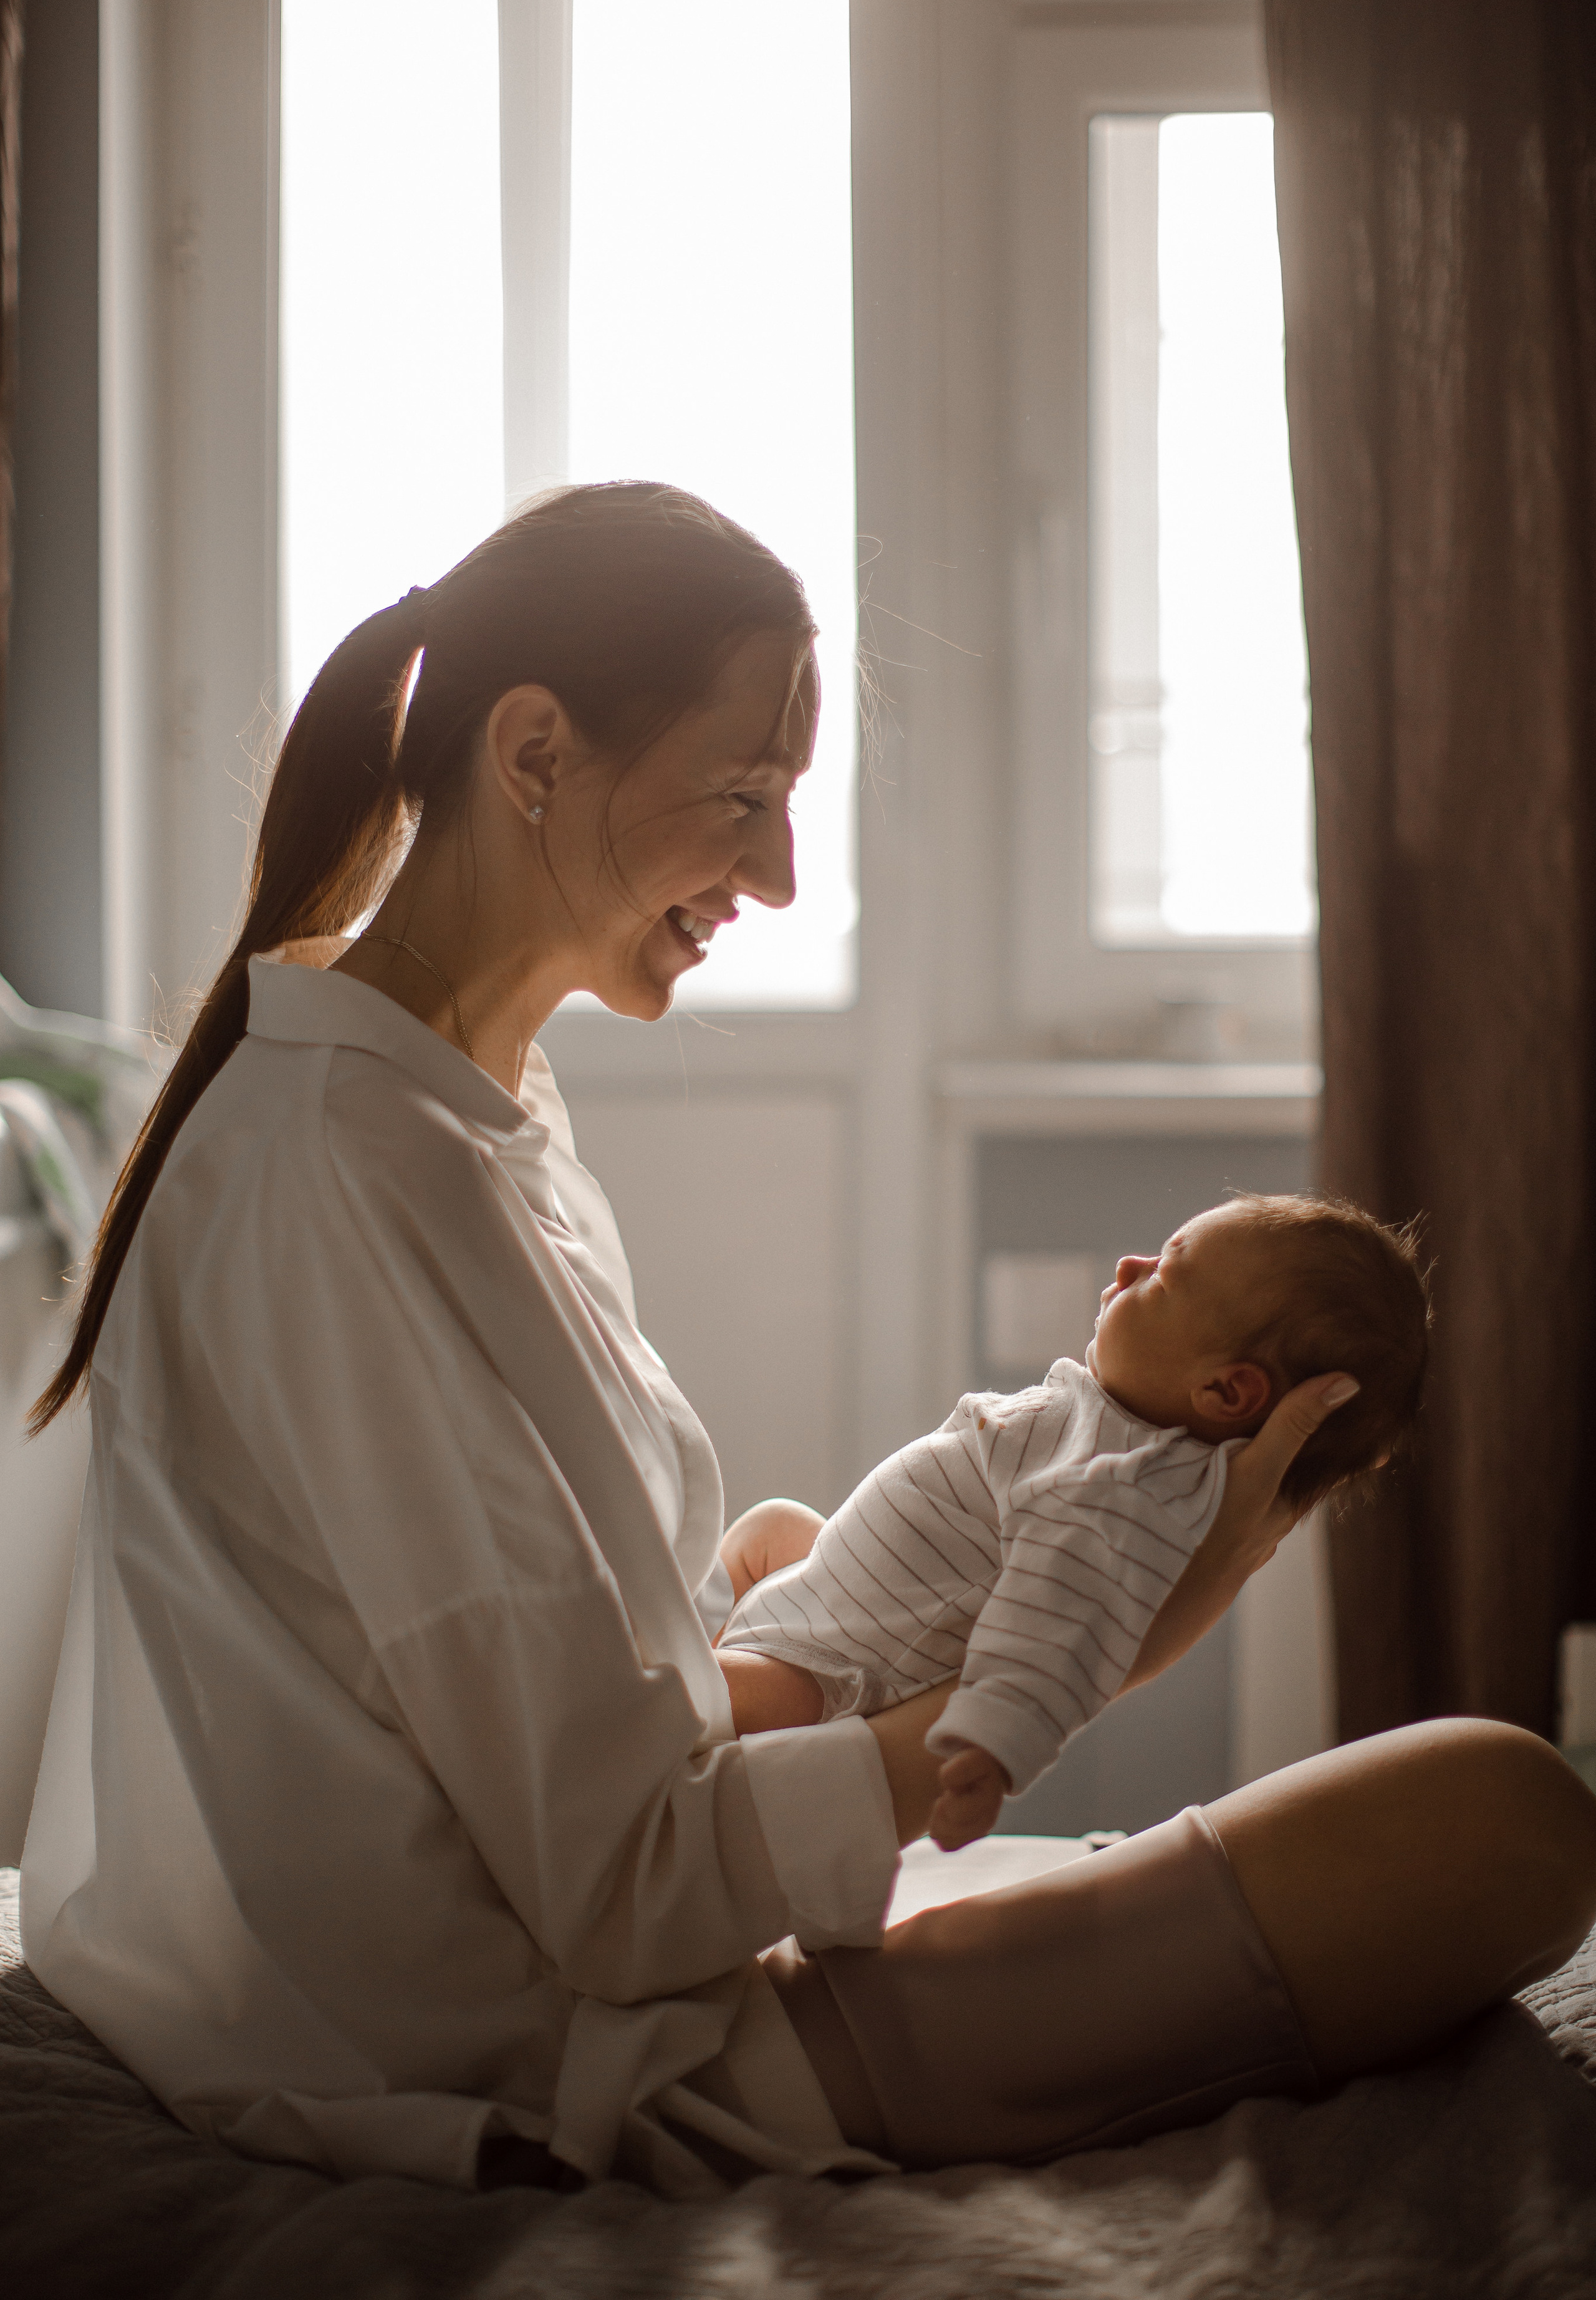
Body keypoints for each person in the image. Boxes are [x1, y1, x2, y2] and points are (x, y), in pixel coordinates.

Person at [19, 484, 1596, 2195]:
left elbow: (522, 1707)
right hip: (539, 2047)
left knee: (1471, 1809)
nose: (775, 869)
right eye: (745, 794)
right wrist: (1116, 1645)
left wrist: (827, 1618)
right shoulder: (342, 1176)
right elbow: (620, 1893)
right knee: (1504, 1827)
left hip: (557, 1959)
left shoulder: (463, 1115)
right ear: (533, 751)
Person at [716, 1194, 1429, 1851]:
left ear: (1224, 1389)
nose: (1130, 1265)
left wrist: (991, 1748)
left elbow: (1057, 1620)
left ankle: (691, 1656)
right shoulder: (1117, 1439)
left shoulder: (1118, 1483)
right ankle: (714, 1627)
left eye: (1163, 1277)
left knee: (701, 1693)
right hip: (827, 1595)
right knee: (776, 1525)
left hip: (830, 1668)